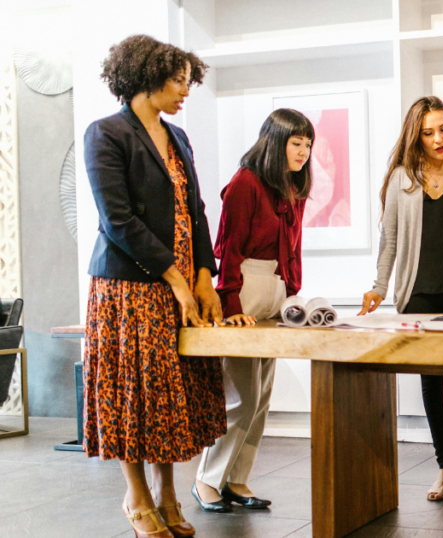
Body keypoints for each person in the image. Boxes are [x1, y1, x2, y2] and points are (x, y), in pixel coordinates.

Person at [83, 35, 228, 538]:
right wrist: (175, 278)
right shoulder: (105, 133)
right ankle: (136, 495)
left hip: (182, 284)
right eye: (179, 79)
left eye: (189, 81)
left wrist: (205, 276)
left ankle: (168, 493)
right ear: (148, 75)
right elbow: (116, 219)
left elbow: (198, 210)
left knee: (171, 395)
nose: (186, 89)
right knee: (133, 394)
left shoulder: (179, 137)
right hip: (129, 288)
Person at [359, 96, 443, 507]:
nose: (439, 138)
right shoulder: (404, 177)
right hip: (417, 295)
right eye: (429, 132)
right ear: (416, 137)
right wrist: (379, 287)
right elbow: (391, 240)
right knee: (430, 382)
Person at [193, 109, 312, 512]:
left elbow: (293, 251)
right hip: (242, 289)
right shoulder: (246, 182)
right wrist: (229, 304)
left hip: (275, 293)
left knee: (261, 397)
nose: (303, 151)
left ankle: (237, 479)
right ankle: (207, 480)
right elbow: (228, 247)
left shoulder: (293, 188)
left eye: (308, 144)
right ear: (276, 142)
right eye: (296, 143)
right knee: (240, 395)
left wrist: (292, 296)